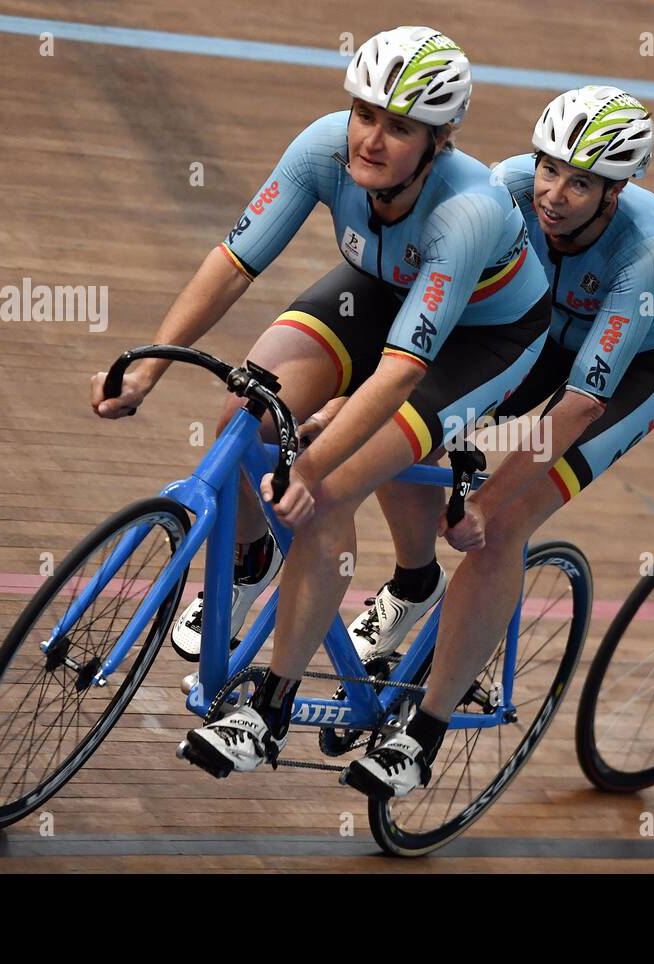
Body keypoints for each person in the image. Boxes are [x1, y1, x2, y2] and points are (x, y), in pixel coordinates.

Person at [90, 26, 551, 776]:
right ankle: (251, 558)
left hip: (483, 343)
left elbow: (402, 372)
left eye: (399, 127)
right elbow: (234, 261)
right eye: (365, 113)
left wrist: (309, 472)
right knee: (247, 418)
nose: (371, 138)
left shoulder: (466, 209)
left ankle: (266, 713)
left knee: (329, 485)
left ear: (439, 141)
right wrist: (149, 364)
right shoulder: (322, 146)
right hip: (379, 289)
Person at [338, 85, 654, 799]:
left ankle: (423, 734)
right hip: (529, 338)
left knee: (500, 527)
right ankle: (413, 583)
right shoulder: (503, 188)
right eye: (549, 168)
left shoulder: (645, 247)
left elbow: (583, 403)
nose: (555, 194)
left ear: (615, 193)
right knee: (404, 432)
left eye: (582, 182)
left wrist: (489, 500)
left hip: (624, 378)